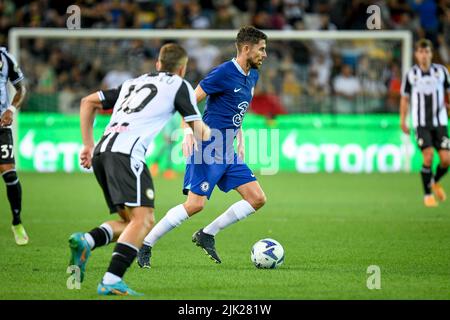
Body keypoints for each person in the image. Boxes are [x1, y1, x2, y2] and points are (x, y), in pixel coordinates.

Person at [68, 43, 210, 296]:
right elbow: (198, 130)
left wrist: (88, 145)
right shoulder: (180, 85)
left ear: (158, 64)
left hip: (102, 152)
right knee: (144, 221)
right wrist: (211, 132)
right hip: (127, 155)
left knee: (129, 222)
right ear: (182, 69)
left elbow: (87, 101)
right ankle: (111, 281)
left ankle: (87, 241)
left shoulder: (132, 83)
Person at [137, 26, 268, 268]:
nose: (265, 54)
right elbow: (188, 101)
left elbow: (235, 109)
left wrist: (240, 137)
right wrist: (187, 131)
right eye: (261, 49)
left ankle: (206, 234)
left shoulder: (253, 75)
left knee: (257, 198)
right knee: (195, 205)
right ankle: (145, 243)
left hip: (228, 149)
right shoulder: (223, 73)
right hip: (207, 146)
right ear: (246, 49)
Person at [400, 39, 450, 207]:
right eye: (421, 52)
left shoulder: (442, 72)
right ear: (416, 55)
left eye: (426, 52)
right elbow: (404, 99)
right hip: (421, 124)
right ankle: (428, 195)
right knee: (428, 157)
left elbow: (448, 93)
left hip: (440, 122)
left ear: (431, 54)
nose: (424, 55)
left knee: (446, 160)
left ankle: (433, 181)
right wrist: (402, 120)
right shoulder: (411, 74)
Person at [0, 47, 28, 245]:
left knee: (9, 173)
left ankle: (17, 221)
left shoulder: (5, 58)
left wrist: (10, 109)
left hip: (0, 126)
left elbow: (21, 88)